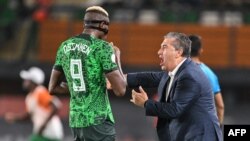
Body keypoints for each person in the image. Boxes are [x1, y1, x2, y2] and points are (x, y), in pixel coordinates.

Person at [48, 6, 126, 141]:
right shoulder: (102, 47)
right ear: (102, 24)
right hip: (98, 121)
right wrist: (117, 57)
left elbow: (52, 88)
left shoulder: (64, 46)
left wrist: (76, 88)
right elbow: (120, 90)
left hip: (76, 121)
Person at [128, 32, 222, 141]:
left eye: (164, 47)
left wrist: (145, 103)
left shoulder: (189, 75)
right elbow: (151, 77)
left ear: (178, 52)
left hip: (200, 137)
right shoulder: (178, 72)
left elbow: (175, 109)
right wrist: (123, 78)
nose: (159, 52)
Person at [4, 66, 64, 141]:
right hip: (42, 134)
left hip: (51, 133)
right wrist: (14, 117)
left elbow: (56, 106)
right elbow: (29, 116)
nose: (25, 82)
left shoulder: (40, 92)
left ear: (33, 81)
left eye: (27, 80)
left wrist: (43, 126)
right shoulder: (29, 97)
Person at [189, 34, 225, 125]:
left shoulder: (176, 71)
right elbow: (220, 106)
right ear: (200, 51)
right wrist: (218, 127)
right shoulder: (209, 74)